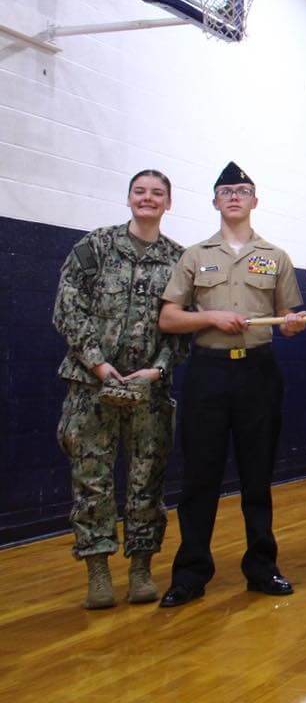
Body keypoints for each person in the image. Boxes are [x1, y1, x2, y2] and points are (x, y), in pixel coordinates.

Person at [156, 162, 306, 607]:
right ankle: (190, 574)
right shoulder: (194, 255)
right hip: (208, 372)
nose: (235, 197)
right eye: (227, 191)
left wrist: (295, 324)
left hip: (257, 372)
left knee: (257, 476)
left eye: (243, 190)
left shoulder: (276, 256)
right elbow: (168, 317)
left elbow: (289, 318)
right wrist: (210, 317)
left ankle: (262, 567)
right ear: (216, 201)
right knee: (200, 476)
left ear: (255, 200)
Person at [52, 169, 185, 609]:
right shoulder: (94, 247)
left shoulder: (178, 259)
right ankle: (98, 572)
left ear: (168, 202)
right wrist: (98, 362)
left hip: (148, 390)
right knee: (92, 480)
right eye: (140, 191)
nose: (147, 198)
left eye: (157, 193)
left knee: (147, 480)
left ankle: (142, 568)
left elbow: (181, 327)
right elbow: (68, 308)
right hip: (91, 386)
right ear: (129, 197)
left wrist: (159, 369)